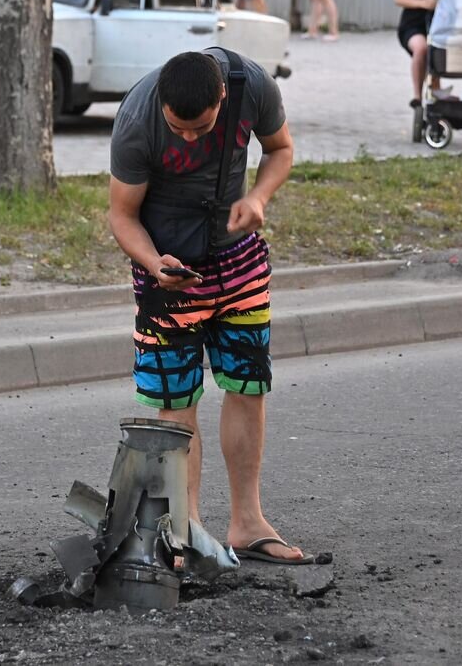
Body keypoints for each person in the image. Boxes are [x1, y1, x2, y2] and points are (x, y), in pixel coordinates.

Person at [107, 49, 311, 565]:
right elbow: (122, 216)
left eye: (200, 128)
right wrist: (154, 263)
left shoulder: (252, 85)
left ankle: (247, 522)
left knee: (248, 386)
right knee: (177, 402)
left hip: (239, 262)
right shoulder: (137, 118)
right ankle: (186, 529)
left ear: (223, 97)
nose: (189, 139)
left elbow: (281, 149)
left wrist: (260, 195)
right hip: (168, 275)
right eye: (178, 128)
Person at [395, 0, 445, 110]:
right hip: (414, 22)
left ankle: (437, 93)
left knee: (437, 51)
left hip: (441, 20)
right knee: (421, 48)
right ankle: (418, 96)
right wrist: (422, 3)